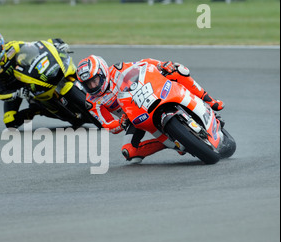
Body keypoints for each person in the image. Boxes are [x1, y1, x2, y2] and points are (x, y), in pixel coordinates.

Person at [76, 55, 225, 163]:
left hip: (151, 94)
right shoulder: (92, 102)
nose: (93, 86)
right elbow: (107, 125)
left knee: (178, 70)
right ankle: (174, 141)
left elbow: (143, 64)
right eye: (88, 84)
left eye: (94, 80)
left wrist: (161, 65)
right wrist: (120, 123)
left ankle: (210, 101)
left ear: (102, 72)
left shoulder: (118, 70)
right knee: (129, 152)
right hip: (133, 118)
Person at [0, 28, 70, 128]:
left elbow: (35, 47)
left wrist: (54, 45)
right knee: (10, 121)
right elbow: (0, 93)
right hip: (15, 91)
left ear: (0, 45)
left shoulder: (12, 47)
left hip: (30, 76)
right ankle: (37, 109)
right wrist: (16, 93)